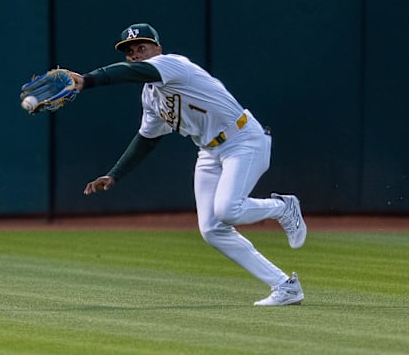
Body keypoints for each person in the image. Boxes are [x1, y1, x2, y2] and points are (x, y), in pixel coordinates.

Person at [69, 23, 307, 306]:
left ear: (157, 48)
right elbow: (148, 139)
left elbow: (131, 73)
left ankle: (283, 207)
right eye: (130, 52)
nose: (136, 54)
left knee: (228, 210)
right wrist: (115, 174)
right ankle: (285, 285)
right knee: (211, 230)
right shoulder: (151, 97)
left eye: (141, 47)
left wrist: (87, 80)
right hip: (208, 152)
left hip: (244, 139)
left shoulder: (173, 64)